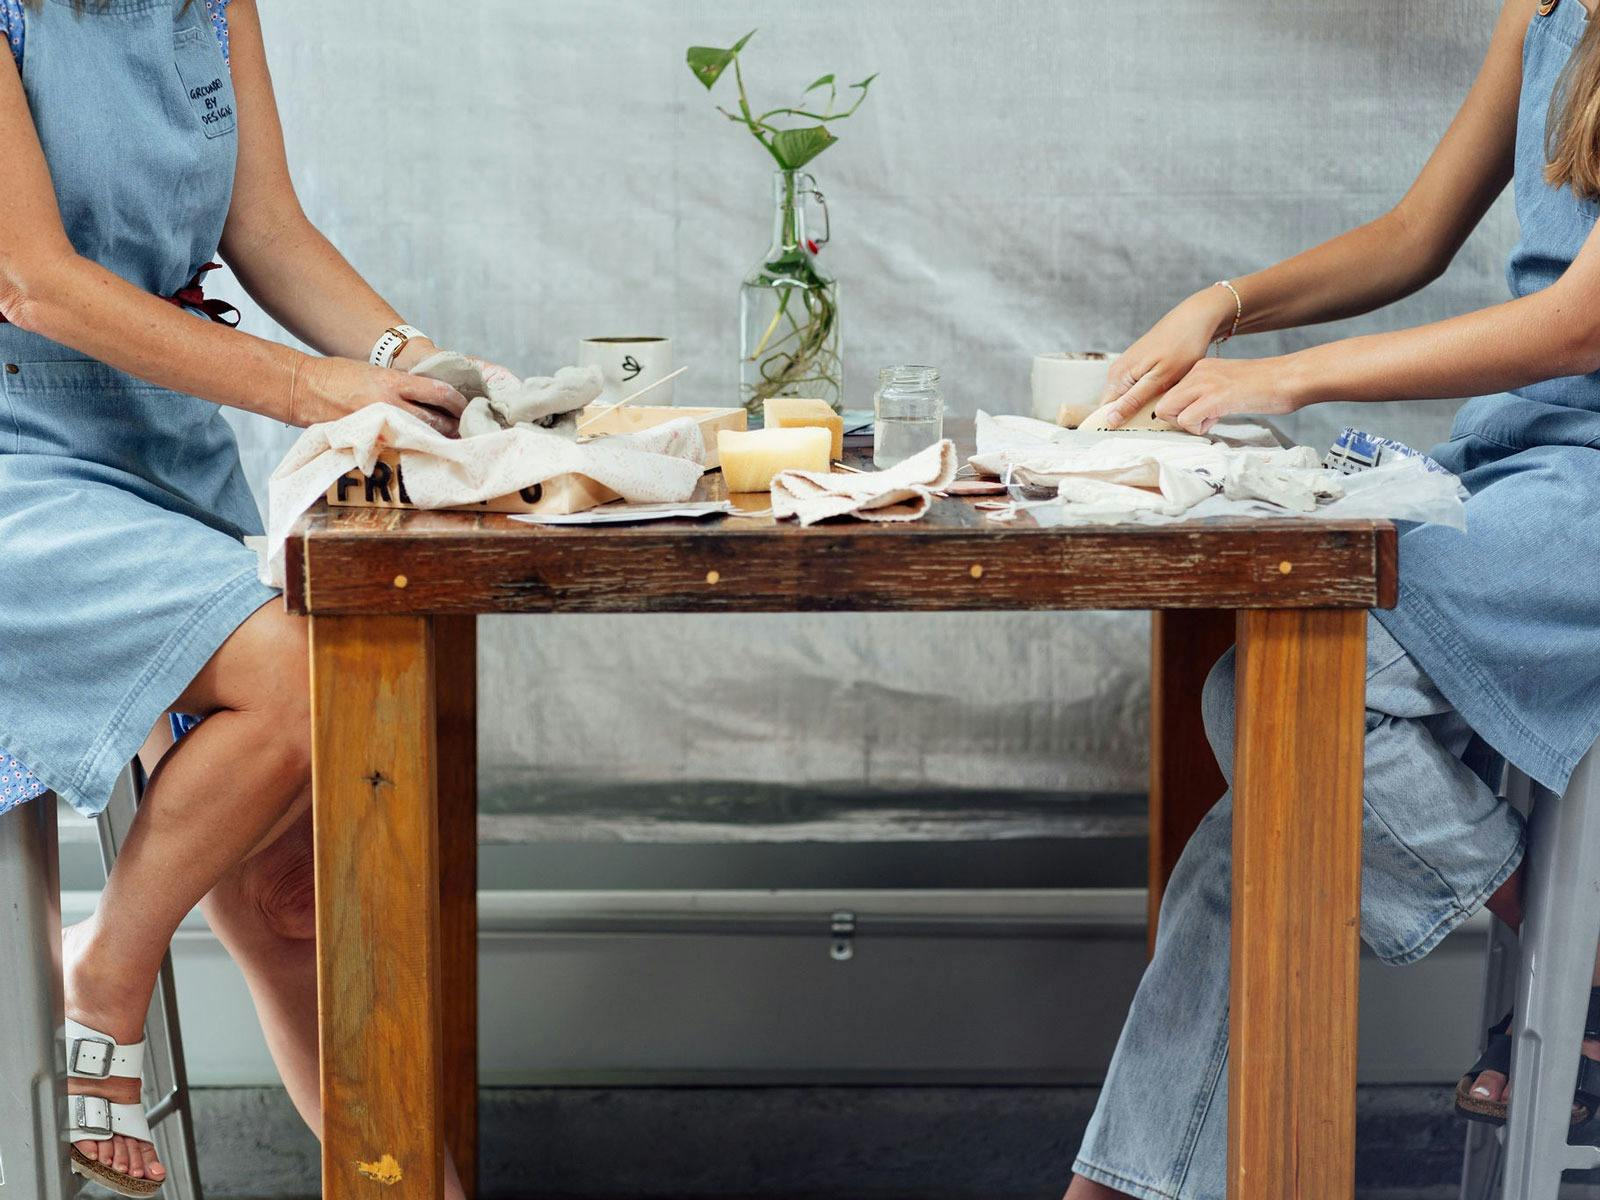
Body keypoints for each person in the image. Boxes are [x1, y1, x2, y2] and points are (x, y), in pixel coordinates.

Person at [1067, 0, 1600, 1196]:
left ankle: (1587, 957)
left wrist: (1286, 376)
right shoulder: (1549, 9)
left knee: (1284, 703)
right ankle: (1113, 1191)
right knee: (1272, 788)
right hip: (1528, 461)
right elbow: (1415, 231)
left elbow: (1581, 324)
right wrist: (1225, 303)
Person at [0, 1, 492, 1195]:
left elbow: (263, 222)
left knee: (289, 900)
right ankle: (101, 979)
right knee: (302, 665)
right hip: (14, 459)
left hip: (153, 438)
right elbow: (34, 282)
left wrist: (417, 371)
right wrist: (307, 390)